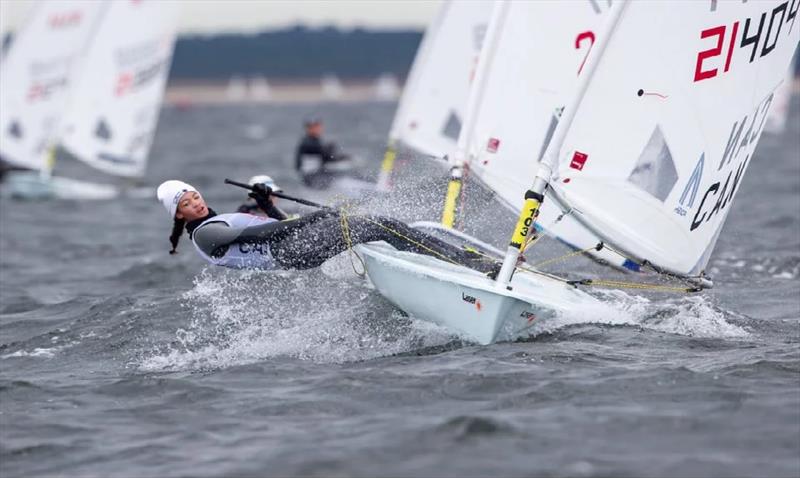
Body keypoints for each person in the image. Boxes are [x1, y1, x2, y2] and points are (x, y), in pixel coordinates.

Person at [156, 179, 498, 273]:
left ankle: (457, 257)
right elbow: (265, 234)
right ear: (179, 215)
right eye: (186, 204)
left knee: (380, 223)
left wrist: (265, 203)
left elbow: (275, 223)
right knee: (377, 224)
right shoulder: (206, 233)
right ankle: (466, 263)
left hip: (293, 245)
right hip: (290, 252)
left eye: (195, 197)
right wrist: (314, 217)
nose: (195, 203)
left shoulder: (217, 218)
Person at [294, 118, 349, 188]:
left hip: (315, 174)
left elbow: (325, 157)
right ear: (308, 128)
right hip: (312, 177)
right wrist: (344, 157)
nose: (318, 129)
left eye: (318, 126)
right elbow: (327, 155)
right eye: (315, 127)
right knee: (339, 179)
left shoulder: (311, 141)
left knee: (339, 175)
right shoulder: (308, 143)